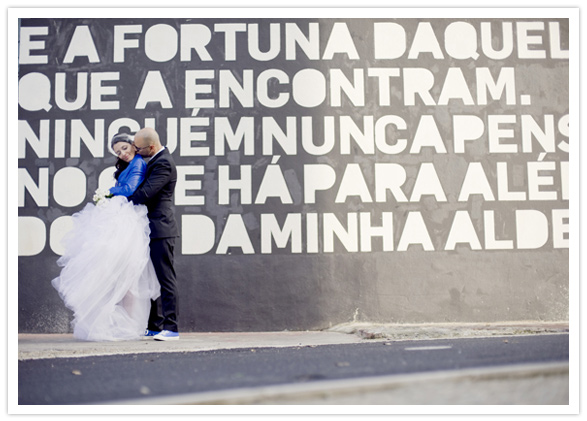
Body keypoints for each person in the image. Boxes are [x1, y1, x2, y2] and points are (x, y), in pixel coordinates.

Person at [51, 133, 160, 342]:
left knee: (127, 276)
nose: (123, 154)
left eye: (125, 149)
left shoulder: (138, 164)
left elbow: (129, 189)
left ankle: (130, 323)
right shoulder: (128, 165)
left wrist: (108, 191)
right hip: (121, 216)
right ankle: (120, 322)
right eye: (118, 152)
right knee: (115, 274)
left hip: (128, 220)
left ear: (133, 146)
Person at [129, 127, 180, 341]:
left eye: (138, 148)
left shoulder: (164, 163)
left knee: (165, 279)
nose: (136, 152)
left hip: (161, 229)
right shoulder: (154, 160)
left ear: (151, 146)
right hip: (150, 229)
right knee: (151, 279)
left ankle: (172, 328)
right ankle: (155, 325)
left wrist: (122, 195)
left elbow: (145, 193)